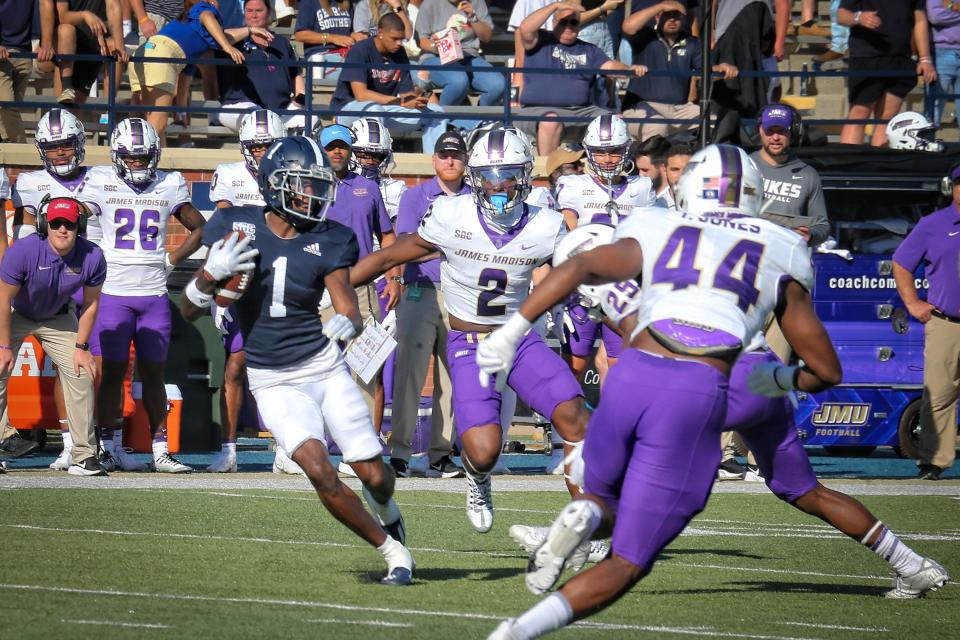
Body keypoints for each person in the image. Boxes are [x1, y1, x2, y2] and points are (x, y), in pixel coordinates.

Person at [479, 144, 838, 638]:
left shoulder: (654, 223)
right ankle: (516, 632)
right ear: (754, 192)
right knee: (632, 557)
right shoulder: (782, 245)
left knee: (607, 500)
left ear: (688, 186)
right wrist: (777, 380)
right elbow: (825, 370)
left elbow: (582, 268)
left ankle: (585, 511)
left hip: (631, 376)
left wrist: (510, 330)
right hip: (697, 382)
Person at [179, 135, 414, 586]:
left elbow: (346, 302)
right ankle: (393, 552)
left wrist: (347, 322)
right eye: (304, 184)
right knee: (320, 470)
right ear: (274, 184)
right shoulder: (235, 226)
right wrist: (208, 276)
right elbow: (189, 311)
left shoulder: (330, 238)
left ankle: (386, 508)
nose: (314, 195)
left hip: (324, 369)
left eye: (317, 185)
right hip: (273, 380)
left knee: (375, 475)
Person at [350, 130, 590, 533]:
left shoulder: (546, 224)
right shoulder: (451, 214)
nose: (498, 185)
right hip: (470, 341)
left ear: (525, 176)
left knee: (574, 418)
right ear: (475, 177)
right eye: (489, 175)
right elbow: (394, 252)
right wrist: (336, 285)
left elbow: (578, 273)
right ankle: (479, 478)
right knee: (483, 451)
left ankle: (589, 524)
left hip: (518, 339)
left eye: (507, 174)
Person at [78, 117, 207, 473]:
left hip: (153, 293)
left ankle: (160, 449)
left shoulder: (169, 183)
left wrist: (171, 258)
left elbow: (199, 227)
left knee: (154, 374)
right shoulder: (100, 181)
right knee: (109, 373)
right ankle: (108, 446)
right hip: (113, 293)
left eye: (143, 156)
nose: (137, 163)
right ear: (118, 156)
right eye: (131, 157)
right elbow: (79, 215)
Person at [9, 109, 105, 469]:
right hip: (38, 283)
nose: (61, 153)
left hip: (88, 277)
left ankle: (95, 444)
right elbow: (22, 233)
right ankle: (63, 443)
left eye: (66, 145)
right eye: (53, 147)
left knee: (92, 366)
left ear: (78, 144)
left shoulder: (102, 177)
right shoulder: (30, 184)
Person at [207, 108, 297, 473]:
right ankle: (228, 449)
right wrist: (220, 286)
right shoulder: (229, 175)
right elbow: (223, 228)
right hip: (241, 280)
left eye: (267, 145)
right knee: (234, 366)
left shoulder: (292, 174)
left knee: (282, 369)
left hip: (281, 280)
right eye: (255, 145)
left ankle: (283, 448)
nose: (260, 152)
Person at [0, 197, 107, 477]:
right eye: (56, 223)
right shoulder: (22, 251)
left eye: (69, 224)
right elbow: (3, 299)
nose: (62, 230)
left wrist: (82, 347)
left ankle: (83, 454)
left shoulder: (92, 255)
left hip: (59, 316)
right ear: (44, 225)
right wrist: (2, 346)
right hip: (17, 312)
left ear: (79, 226)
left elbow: (92, 304)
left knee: (81, 371)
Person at [387, 130, 471, 480]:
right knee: (409, 373)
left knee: (454, 379)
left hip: (462, 293)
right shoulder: (415, 196)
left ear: (465, 161)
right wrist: (452, 245)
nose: (450, 161)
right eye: (444, 155)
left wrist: (439, 244)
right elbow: (407, 242)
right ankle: (400, 452)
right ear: (434, 160)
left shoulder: (475, 197)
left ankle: (440, 453)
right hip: (421, 288)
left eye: (456, 155)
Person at [556, 114, 653, 384]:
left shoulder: (642, 188)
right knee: (572, 368)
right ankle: (560, 427)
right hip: (583, 289)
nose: (607, 158)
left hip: (625, 289)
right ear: (589, 152)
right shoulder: (573, 184)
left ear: (626, 150)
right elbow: (568, 234)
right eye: (600, 152)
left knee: (622, 371)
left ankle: (617, 424)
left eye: (614, 151)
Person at [317, 124, 401, 427]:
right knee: (314, 367)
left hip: (362, 288)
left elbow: (388, 238)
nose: (336, 151)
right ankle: (307, 445)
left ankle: (366, 447)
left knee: (368, 367)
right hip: (320, 288)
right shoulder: (308, 185)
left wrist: (394, 278)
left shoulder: (369, 188)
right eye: (330, 147)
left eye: (342, 146)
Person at [892, 163, 960, 481]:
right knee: (940, 392)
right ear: (952, 188)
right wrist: (912, 302)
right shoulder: (934, 224)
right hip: (947, 322)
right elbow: (902, 263)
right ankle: (933, 461)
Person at [515, 1, 648, 155]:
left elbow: (610, 67)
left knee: (615, 121)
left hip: (581, 110)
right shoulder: (541, 41)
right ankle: (547, 172)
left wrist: (629, 69)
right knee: (550, 121)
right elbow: (525, 27)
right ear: (554, 23)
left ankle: (608, 168)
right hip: (537, 110)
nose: (569, 26)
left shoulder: (589, 49)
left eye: (574, 22)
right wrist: (555, 6)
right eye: (564, 22)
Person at [130, 0, 270, 143]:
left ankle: (147, 161)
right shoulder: (204, 7)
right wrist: (227, 47)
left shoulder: (193, 34)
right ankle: (139, 161)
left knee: (149, 123)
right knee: (156, 125)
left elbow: (185, 82)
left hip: (145, 52)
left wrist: (181, 114)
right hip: (161, 54)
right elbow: (207, 17)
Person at [330, 12, 448, 153]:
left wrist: (415, 101)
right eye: (395, 39)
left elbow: (406, 93)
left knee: (436, 113)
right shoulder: (360, 50)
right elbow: (361, 95)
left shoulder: (399, 53)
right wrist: (402, 102)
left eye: (401, 39)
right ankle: (373, 161)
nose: (399, 43)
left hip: (385, 109)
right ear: (380, 33)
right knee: (374, 109)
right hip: (348, 111)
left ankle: (434, 165)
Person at [622, 2, 738, 143]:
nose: (672, 19)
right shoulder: (645, 36)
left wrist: (722, 68)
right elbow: (628, 27)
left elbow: (706, 71)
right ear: (657, 18)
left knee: (715, 120)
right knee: (657, 127)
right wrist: (662, 6)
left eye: (676, 16)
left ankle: (702, 160)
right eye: (667, 15)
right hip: (642, 106)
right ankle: (650, 164)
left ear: (683, 19)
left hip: (680, 109)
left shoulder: (692, 43)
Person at [837, 1, 937, 146]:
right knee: (859, 114)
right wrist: (858, 17)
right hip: (867, 57)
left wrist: (925, 59)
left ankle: (879, 165)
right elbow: (841, 15)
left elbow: (920, 20)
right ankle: (848, 166)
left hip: (901, 58)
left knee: (887, 119)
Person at [217, 0, 306, 133]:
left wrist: (300, 99)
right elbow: (220, 39)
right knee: (262, 121)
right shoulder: (236, 40)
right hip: (239, 106)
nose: (254, 15)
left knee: (311, 122)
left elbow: (295, 75)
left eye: (259, 11)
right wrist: (249, 30)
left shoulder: (282, 42)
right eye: (249, 11)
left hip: (281, 110)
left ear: (269, 13)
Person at [750, 104, 829, 247]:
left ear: (793, 132)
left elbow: (822, 225)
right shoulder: (743, 165)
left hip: (786, 258)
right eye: (770, 131)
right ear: (760, 131)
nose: (775, 137)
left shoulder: (808, 175)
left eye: (781, 131)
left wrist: (810, 235)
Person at [415, 0, 504, 108]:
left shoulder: (477, 2)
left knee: (498, 84)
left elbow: (486, 37)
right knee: (458, 81)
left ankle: (482, 121)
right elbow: (422, 41)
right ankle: (440, 120)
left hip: (468, 56)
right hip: (436, 56)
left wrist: (473, 17)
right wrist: (437, 47)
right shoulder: (430, 3)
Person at [52, 0, 127, 107]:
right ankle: (66, 87)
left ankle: (108, 109)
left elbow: (113, 7)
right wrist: (85, 15)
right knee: (66, 30)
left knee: (115, 47)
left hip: (90, 40)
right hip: (63, 44)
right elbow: (62, 16)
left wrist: (120, 46)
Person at [0, 0, 54, 142]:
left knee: (10, 110)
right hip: (2, 52)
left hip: (24, 51)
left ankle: (11, 155)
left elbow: (46, 4)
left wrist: (46, 44)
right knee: (6, 106)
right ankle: (22, 152)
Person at [295, 0, 372, 83]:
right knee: (357, 74)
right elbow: (300, 35)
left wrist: (354, 35)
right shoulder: (309, 2)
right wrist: (332, 38)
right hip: (321, 56)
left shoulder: (346, 3)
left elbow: (348, 31)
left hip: (346, 54)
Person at [925, 0, 960, 126]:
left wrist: (953, 9)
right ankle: (928, 141)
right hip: (941, 52)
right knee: (934, 107)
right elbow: (935, 16)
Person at [630, 135, 671, 206]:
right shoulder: (635, 194)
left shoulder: (676, 201)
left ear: (664, 167)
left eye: (645, 170)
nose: (640, 174)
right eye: (638, 170)